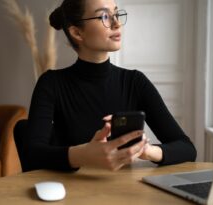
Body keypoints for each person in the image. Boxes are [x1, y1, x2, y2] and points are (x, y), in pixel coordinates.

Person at [23, 0, 196, 172]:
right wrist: (83, 155)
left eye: (116, 14)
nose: (117, 23)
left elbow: (187, 149)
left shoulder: (135, 82)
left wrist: (146, 150)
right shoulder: (51, 83)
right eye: (104, 16)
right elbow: (32, 155)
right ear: (77, 32)